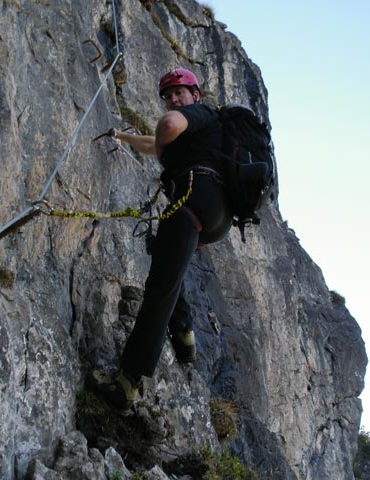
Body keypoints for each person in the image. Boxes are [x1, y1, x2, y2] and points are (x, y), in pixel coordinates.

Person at [93, 68, 233, 410]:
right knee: (167, 262)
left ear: (194, 94)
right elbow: (155, 145)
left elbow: (168, 127)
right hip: (210, 213)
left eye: (179, 93)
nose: (173, 99)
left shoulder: (200, 113)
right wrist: (123, 137)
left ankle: (128, 382)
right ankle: (184, 336)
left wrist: (170, 119)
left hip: (192, 200)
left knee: (158, 288)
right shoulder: (198, 135)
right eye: (168, 96)